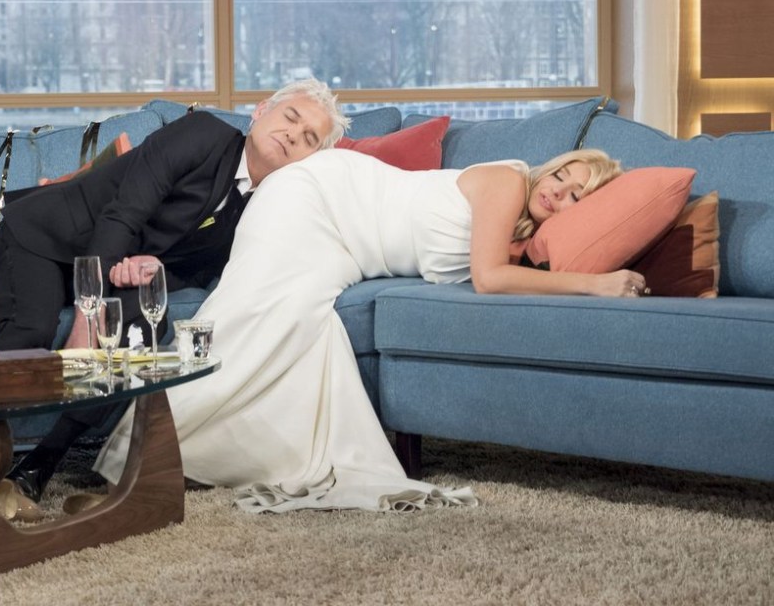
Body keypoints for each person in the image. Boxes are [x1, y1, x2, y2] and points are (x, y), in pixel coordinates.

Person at [0, 78, 349, 511]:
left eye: (309, 137)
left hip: (117, 266)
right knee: (34, 328)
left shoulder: (269, 206)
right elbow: (122, 215)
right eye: (291, 117)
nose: (293, 134)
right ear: (261, 110)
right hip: (45, 236)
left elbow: (202, 266)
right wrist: (89, 310)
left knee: (140, 332)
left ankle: (41, 463)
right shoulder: (201, 133)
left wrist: (157, 266)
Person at [94, 147, 643, 513]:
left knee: (303, 325)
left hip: (347, 249)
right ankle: (142, 450)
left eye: (576, 196)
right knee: (252, 314)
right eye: (562, 175)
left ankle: (177, 449)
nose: (558, 190)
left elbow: (505, 267)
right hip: (319, 198)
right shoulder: (508, 181)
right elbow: (489, 278)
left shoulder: (525, 237)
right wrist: (596, 285)